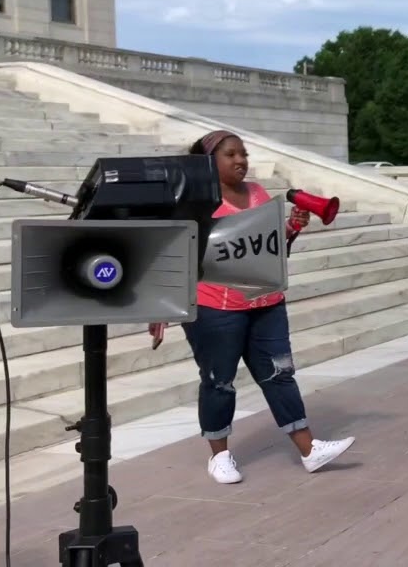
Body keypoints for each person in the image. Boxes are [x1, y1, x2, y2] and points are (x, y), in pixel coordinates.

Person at [148, 130, 355, 484]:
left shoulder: (258, 193)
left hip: (266, 303)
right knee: (219, 382)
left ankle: (309, 450)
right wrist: (161, 302)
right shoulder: (194, 200)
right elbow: (171, 249)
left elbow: (267, 247)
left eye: (243, 153)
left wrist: (290, 228)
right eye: (230, 154)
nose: (240, 160)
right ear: (209, 161)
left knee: (279, 374)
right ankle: (220, 456)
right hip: (215, 308)